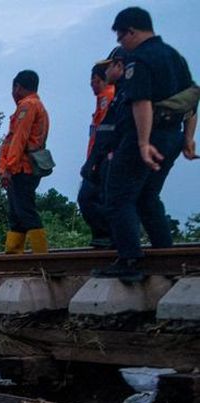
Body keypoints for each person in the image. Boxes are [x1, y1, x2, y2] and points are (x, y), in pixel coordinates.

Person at [96, 6, 198, 282]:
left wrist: (142, 143)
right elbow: (192, 98)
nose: (121, 43)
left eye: (121, 37)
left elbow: (141, 102)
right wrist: (188, 138)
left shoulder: (139, 59)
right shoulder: (174, 56)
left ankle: (130, 260)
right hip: (172, 136)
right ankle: (167, 256)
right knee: (147, 196)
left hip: (147, 137)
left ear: (132, 31)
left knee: (117, 196)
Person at [0, 70, 51, 255]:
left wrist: (8, 168)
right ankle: (14, 255)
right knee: (17, 215)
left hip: (22, 168)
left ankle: (42, 257)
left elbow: (18, 139)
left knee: (25, 212)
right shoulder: (37, 105)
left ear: (17, 87)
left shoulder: (27, 106)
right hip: (22, 167)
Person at [78, 55, 119, 248]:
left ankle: (107, 236)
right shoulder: (103, 100)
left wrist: (94, 160)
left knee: (88, 197)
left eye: (92, 82)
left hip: (103, 158)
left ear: (98, 79)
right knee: (94, 197)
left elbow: (105, 134)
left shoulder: (108, 99)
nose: (91, 86)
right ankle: (104, 238)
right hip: (99, 157)